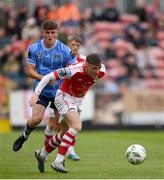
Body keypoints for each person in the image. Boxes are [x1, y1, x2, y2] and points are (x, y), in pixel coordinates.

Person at [29, 53, 106, 173]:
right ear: (86, 66)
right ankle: (58, 162)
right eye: (94, 68)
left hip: (77, 101)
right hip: (64, 97)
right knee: (77, 126)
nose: (97, 71)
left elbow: (96, 68)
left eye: (99, 68)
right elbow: (48, 77)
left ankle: (42, 154)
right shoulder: (73, 70)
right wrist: (36, 93)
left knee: (63, 133)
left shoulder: (101, 71)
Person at [12, 20, 76, 152]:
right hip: (42, 91)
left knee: (61, 128)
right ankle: (24, 136)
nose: (50, 35)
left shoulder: (65, 50)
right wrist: (46, 79)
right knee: (36, 119)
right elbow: (29, 70)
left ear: (56, 33)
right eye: (47, 33)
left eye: (53, 32)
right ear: (42, 33)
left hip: (59, 93)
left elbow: (74, 69)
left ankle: (57, 158)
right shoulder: (34, 49)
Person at [44, 35, 85, 161]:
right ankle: (45, 149)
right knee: (53, 124)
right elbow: (51, 73)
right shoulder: (61, 57)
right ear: (68, 45)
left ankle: (70, 150)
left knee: (74, 123)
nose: (75, 47)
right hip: (59, 94)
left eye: (77, 45)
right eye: (73, 44)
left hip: (76, 96)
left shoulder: (83, 60)